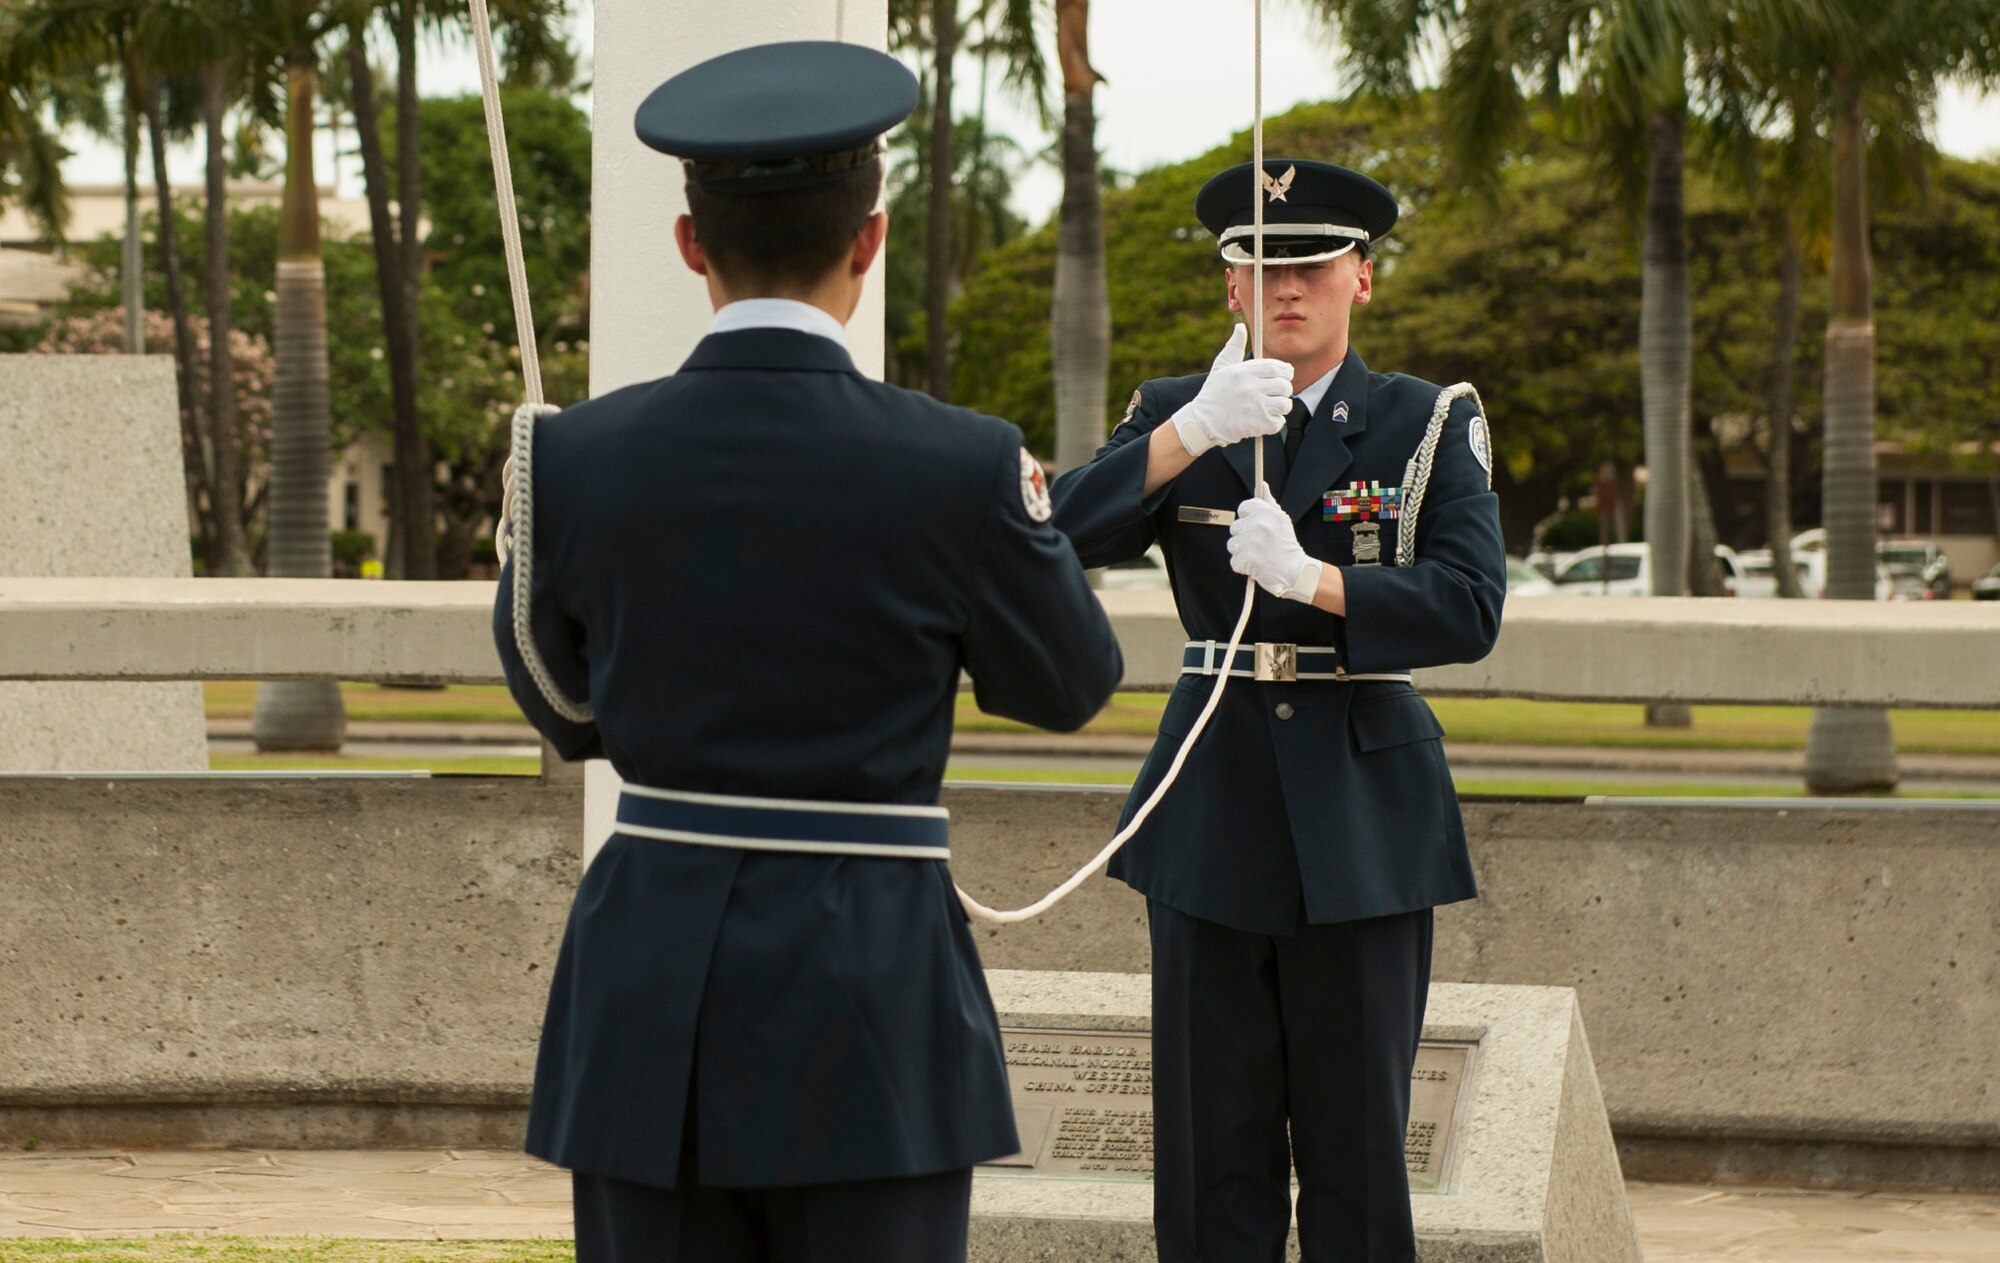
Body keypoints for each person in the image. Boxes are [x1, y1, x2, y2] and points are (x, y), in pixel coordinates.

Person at [491, 40, 1124, 1263]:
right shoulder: (962, 462)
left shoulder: (570, 458)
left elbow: (563, 706)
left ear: (691, 243)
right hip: (871, 986)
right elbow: (1066, 686)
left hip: (648, 976)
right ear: (868, 240)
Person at [1050, 158, 1506, 1262]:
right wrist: (1192, 434)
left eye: (1311, 264)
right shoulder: (1176, 411)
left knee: (1358, 1156)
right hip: (1211, 801)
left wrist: (1319, 582)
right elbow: (1051, 537)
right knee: (1211, 1155)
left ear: (1362, 277)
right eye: (1259, 266)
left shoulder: (1424, 420)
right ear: (1230, 286)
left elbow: (1469, 603)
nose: (1286, 288)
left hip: (1361, 810)